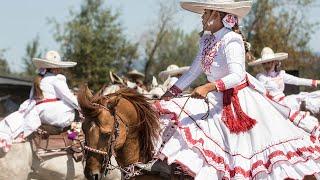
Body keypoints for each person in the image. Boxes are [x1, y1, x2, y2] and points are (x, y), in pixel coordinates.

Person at [151, 0, 320, 179]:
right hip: (216, 98)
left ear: (217, 15)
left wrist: (208, 86)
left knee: (240, 154)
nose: (202, 16)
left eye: (206, 12)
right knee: (178, 113)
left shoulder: (232, 39)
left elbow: (237, 75)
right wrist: (167, 95)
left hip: (238, 100)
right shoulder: (206, 41)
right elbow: (192, 72)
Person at [0, 51, 79, 152]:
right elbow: (69, 97)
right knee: (77, 116)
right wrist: (81, 107)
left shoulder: (39, 79)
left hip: (36, 111)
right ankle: (72, 139)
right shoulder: (57, 79)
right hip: (51, 113)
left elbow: (31, 98)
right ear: (56, 68)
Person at [248, 47, 320, 138]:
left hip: (285, 103)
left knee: (305, 98)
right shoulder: (261, 77)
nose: (267, 65)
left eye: (269, 62)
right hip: (274, 106)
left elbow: (297, 80)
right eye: (264, 63)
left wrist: (314, 82)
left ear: (274, 62)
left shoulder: (281, 75)